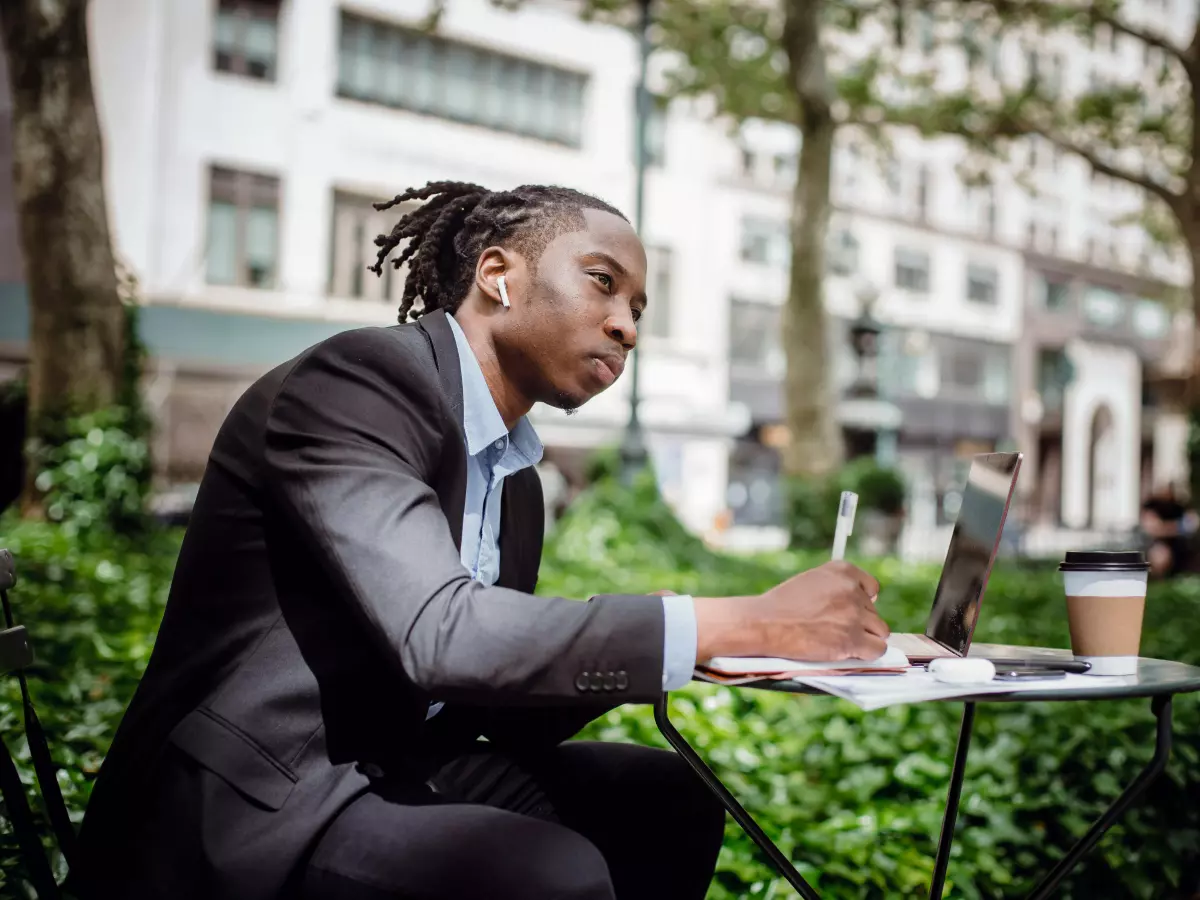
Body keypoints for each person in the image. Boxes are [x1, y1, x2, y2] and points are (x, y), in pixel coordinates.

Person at [72, 182, 890, 900]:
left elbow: (494, 703)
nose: (625, 327)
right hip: (261, 795)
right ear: (498, 276)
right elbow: (442, 633)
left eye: (638, 310)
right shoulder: (359, 384)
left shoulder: (518, 483)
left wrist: (697, 638)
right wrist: (737, 619)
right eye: (603, 284)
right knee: (539, 873)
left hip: (402, 760)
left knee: (667, 797)